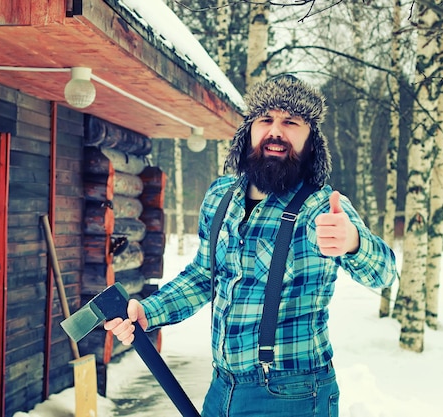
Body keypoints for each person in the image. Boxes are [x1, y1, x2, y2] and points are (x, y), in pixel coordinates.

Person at [104, 74, 397, 416]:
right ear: (249, 131)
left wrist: (353, 242)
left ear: (311, 141)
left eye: (291, 122)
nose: (276, 131)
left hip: (292, 395)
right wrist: (148, 311)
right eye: (266, 119)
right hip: (221, 388)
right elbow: (203, 277)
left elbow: (386, 273)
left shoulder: (319, 207)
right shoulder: (220, 196)